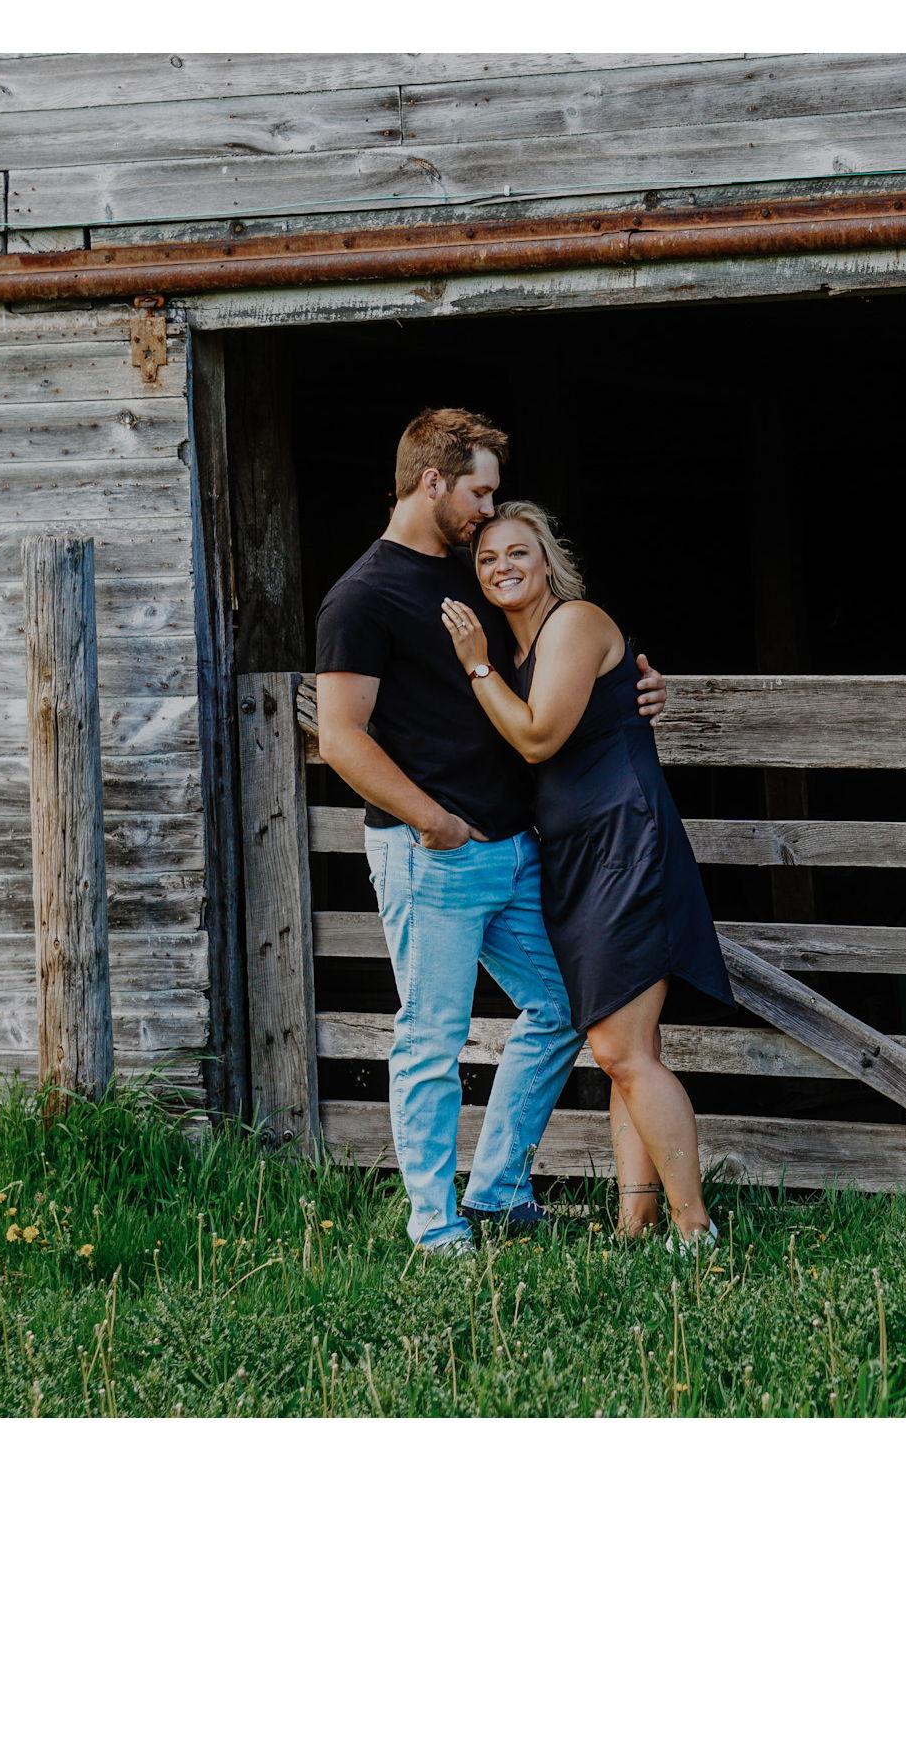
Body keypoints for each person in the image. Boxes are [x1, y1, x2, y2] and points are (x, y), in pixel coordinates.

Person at [314, 410, 669, 1255]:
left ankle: (500, 1191)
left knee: (561, 1007)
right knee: (431, 1038)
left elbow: (548, 653)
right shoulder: (361, 597)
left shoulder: (474, 571)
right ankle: (435, 1227)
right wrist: (432, 820)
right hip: (432, 853)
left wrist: (634, 687)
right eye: (478, 492)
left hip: (516, 846)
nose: (487, 510)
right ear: (432, 481)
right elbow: (340, 737)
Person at [440, 501, 730, 1248]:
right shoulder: (519, 655)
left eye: (518, 552)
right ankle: (636, 1223)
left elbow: (538, 738)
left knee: (619, 1050)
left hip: (623, 841)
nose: (502, 567)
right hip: (576, 856)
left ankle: (694, 1228)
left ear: (549, 561)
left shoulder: (571, 623)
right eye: (487, 559)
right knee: (628, 1050)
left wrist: (474, 665)